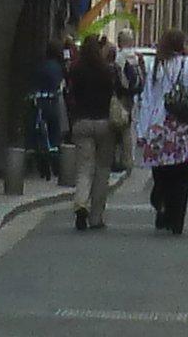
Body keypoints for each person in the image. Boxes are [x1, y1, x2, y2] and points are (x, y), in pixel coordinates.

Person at [134, 29, 188, 235]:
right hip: (185, 125)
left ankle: (160, 200)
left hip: (160, 123)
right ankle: (177, 218)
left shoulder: (156, 65)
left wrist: (142, 130)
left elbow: (147, 98)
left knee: (161, 169)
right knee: (183, 173)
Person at [70, 36, 117, 230]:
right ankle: (96, 217)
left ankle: (81, 202)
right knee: (102, 170)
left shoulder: (76, 69)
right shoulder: (107, 71)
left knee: (84, 168)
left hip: (82, 121)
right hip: (104, 123)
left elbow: (71, 95)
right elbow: (114, 93)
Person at [32, 40, 67, 180]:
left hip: (40, 102)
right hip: (53, 101)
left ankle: (43, 165)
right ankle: (56, 166)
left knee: (41, 133)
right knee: (54, 134)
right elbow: (60, 85)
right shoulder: (58, 67)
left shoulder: (41, 66)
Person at [113, 29, 145, 171]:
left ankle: (120, 159)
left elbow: (117, 76)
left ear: (120, 42)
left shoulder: (119, 57)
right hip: (132, 96)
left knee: (119, 125)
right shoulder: (136, 57)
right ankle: (128, 158)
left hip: (121, 96)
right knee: (129, 127)